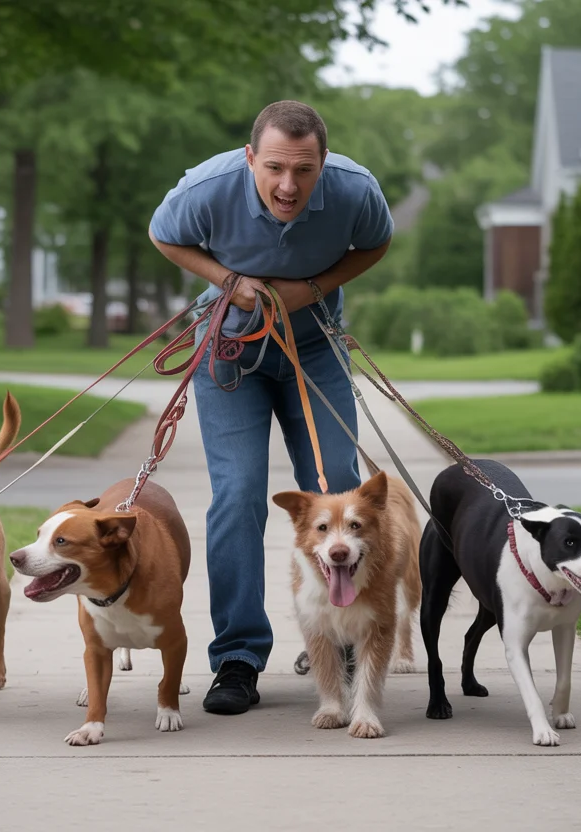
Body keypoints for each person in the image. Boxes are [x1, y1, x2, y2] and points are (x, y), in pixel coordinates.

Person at [147, 99, 394, 715]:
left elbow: (377, 243)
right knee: (238, 494)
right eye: (276, 167)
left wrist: (311, 289)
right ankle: (238, 656)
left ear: (324, 163)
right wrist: (229, 280)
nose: (289, 185)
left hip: (315, 350)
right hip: (230, 350)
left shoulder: (356, 191)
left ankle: (340, 637)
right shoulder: (208, 188)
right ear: (251, 158)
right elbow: (163, 234)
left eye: (305, 170)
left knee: (338, 488)